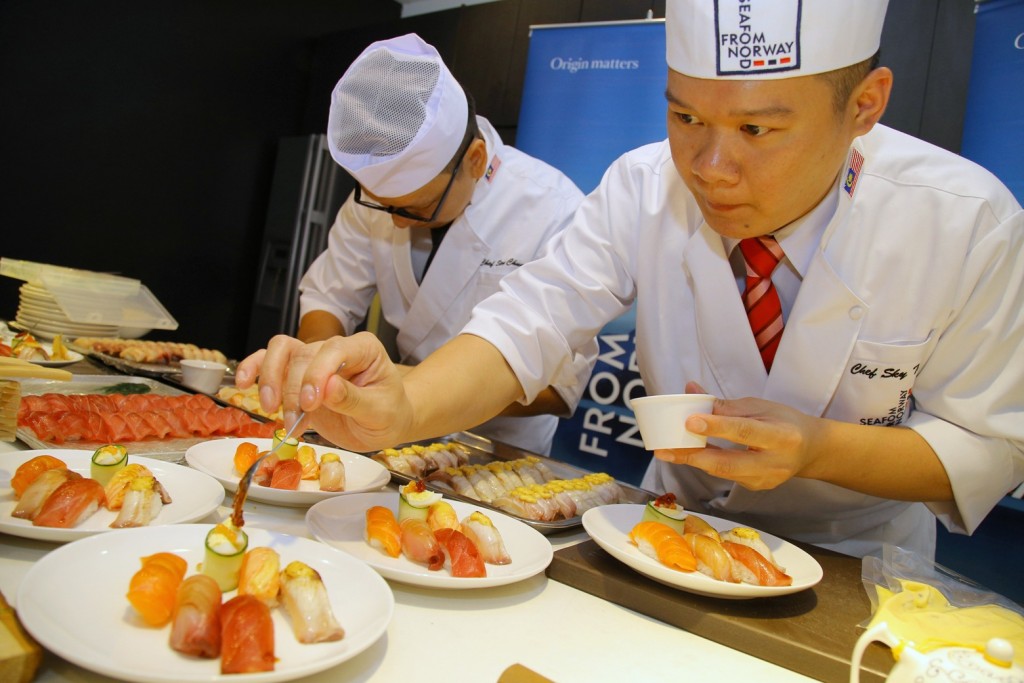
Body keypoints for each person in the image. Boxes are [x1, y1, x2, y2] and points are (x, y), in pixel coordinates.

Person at [239, 0, 1024, 559]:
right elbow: (530, 320)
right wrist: (404, 403)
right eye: (685, 118)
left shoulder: (965, 221)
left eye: (757, 129)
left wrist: (816, 448)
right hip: (667, 533)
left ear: (864, 105)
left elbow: (987, 443)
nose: (711, 168)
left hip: (856, 556)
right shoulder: (641, 186)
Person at [294, 33, 594, 455]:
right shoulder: (386, 198)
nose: (397, 219)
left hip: (494, 450)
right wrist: (318, 366)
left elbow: (561, 386)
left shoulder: (554, 209)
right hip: (387, 433)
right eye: (386, 207)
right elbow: (329, 295)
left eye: (417, 207)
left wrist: (409, 389)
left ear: (475, 159)